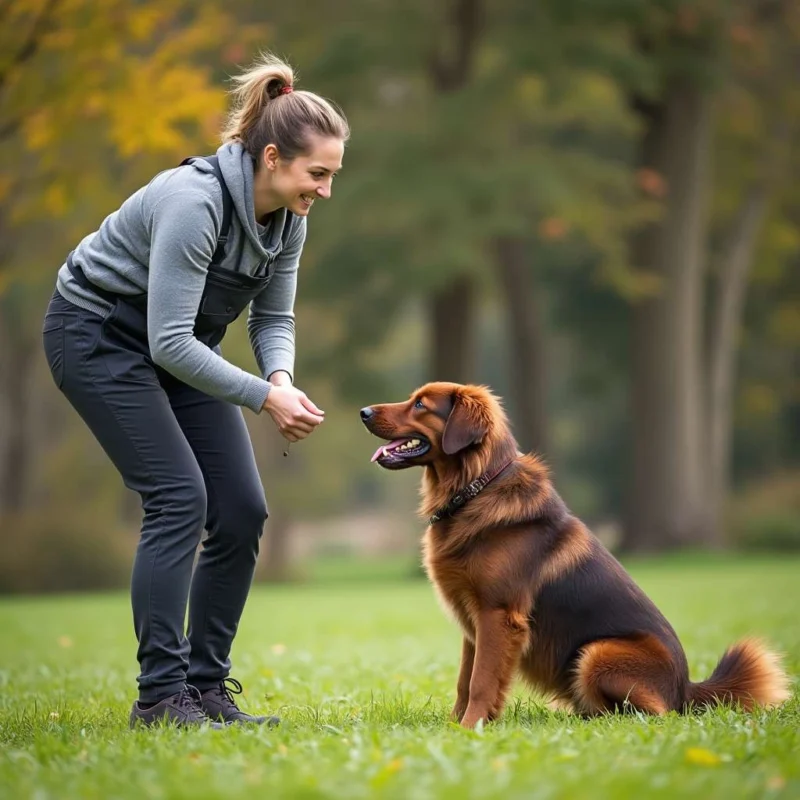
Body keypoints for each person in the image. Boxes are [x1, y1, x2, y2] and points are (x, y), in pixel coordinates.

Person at [41, 52, 349, 729]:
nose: (324, 191)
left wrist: (280, 379)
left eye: (332, 176)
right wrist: (263, 399)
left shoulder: (288, 219)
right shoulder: (194, 202)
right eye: (316, 174)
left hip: (178, 349)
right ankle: (160, 698)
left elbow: (273, 317)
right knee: (179, 497)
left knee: (241, 508)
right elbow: (168, 342)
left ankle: (207, 692)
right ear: (272, 157)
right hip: (97, 337)